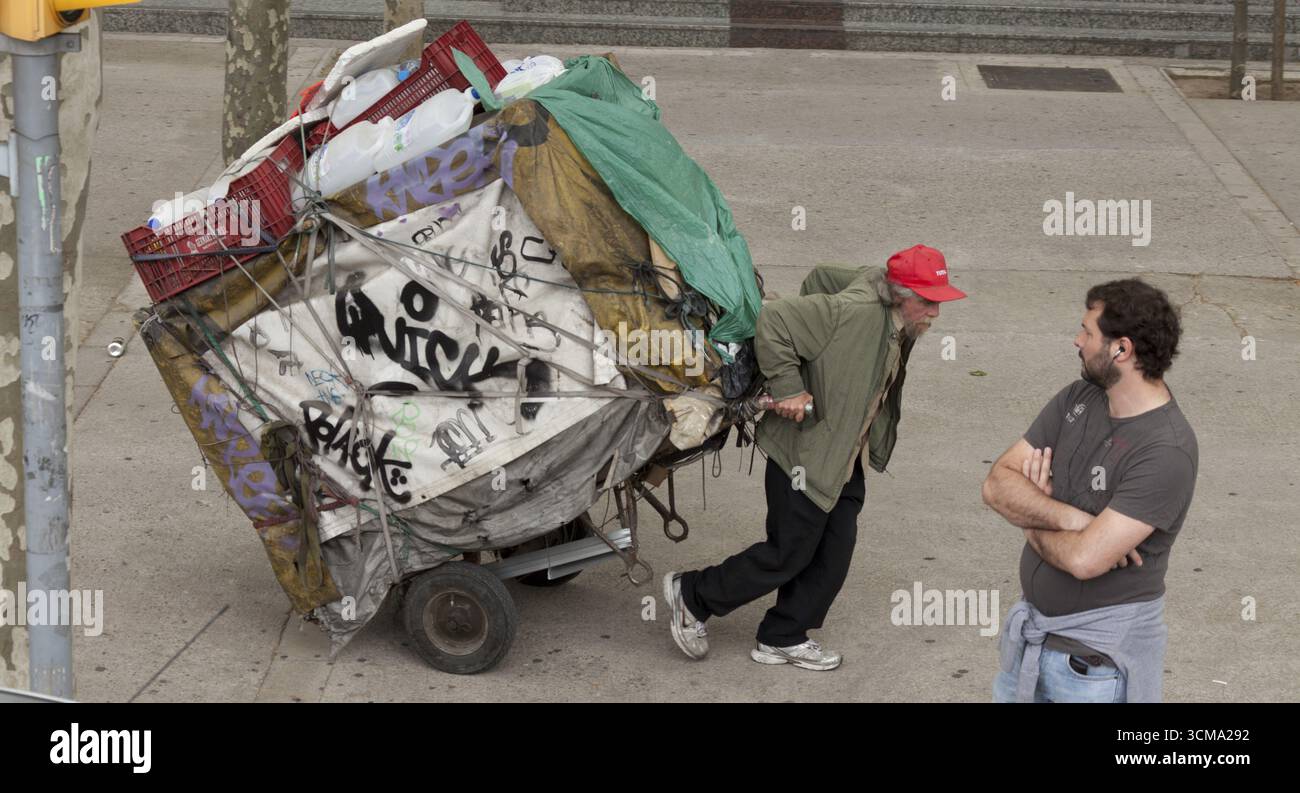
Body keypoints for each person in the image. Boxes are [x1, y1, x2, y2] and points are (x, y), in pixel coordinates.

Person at [664, 245, 966, 670]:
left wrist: (820, 362)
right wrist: (791, 385)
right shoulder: (856, 312)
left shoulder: (888, 307)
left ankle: (782, 635)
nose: (936, 312)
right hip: (804, 455)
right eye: (928, 300)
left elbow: (823, 273)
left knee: (834, 552)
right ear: (899, 293)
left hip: (844, 457)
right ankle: (692, 595)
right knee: (788, 553)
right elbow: (777, 320)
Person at [983, 278, 1198, 702]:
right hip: (1030, 647)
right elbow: (996, 484)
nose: (1076, 340)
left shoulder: (1166, 450)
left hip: (1090, 673)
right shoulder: (1078, 398)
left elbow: (1084, 560)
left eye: (1087, 332)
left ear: (1121, 349)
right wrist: (1071, 518)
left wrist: (1029, 517)